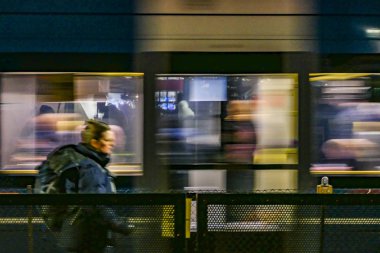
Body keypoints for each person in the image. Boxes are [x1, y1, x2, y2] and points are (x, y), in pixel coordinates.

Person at [37, 119, 132, 253]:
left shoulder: (79, 161)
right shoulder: (91, 167)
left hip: (73, 234)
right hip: (87, 237)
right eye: (108, 141)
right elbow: (95, 203)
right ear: (95, 142)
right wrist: (120, 225)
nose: (113, 144)